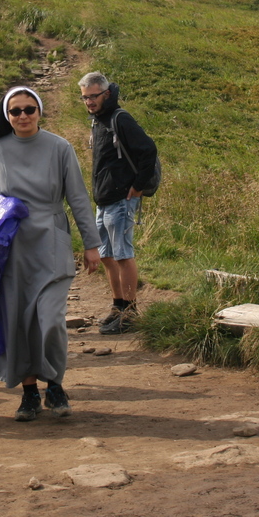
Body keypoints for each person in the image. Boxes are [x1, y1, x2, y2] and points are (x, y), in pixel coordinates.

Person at [0, 87, 101, 421]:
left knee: (50, 318)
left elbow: (79, 198)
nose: (23, 116)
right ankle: (29, 393)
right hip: (11, 246)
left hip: (51, 242)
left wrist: (91, 243)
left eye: (29, 109)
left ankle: (54, 382)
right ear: (6, 115)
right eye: (15, 111)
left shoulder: (60, 148)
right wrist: (1, 206)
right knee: (17, 321)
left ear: (39, 111)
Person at [78, 74, 158, 335]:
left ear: (106, 94)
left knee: (123, 254)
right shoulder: (99, 121)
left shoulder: (119, 119)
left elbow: (148, 150)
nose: (89, 101)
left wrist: (136, 187)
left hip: (121, 200)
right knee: (107, 256)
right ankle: (118, 306)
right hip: (105, 200)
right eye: (85, 97)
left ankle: (130, 312)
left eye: (93, 96)